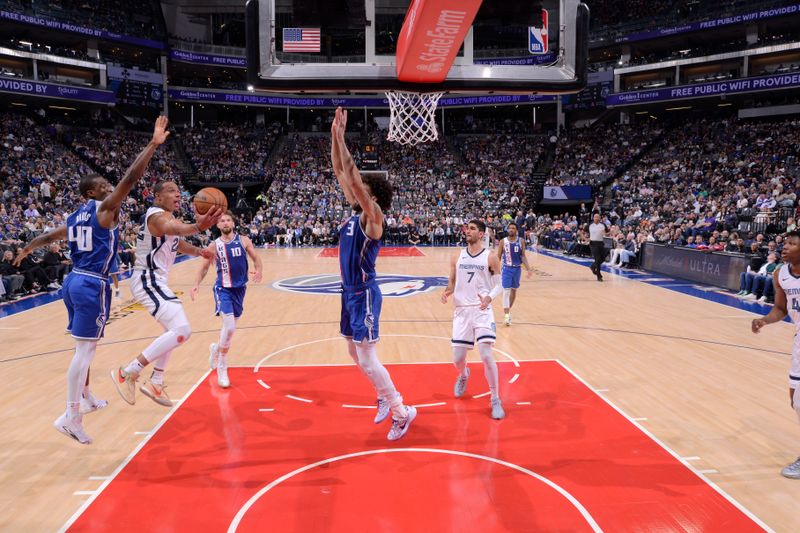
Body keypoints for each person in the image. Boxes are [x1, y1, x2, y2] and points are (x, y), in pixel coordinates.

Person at [13, 116, 172, 444]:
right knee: (84, 352)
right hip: (90, 283)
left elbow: (51, 234)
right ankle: (71, 415)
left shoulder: (75, 216)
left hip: (74, 281)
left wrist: (29, 247)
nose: (109, 187)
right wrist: (153, 145)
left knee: (86, 346)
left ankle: (84, 396)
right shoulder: (104, 209)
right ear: (91, 192)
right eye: (103, 185)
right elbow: (130, 177)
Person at [330, 107, 416, 441]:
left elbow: (352, 177)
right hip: (347, 291)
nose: (354, 190)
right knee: (354, 353)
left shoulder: (374, 217)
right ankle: (382, 395)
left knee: (366, 355)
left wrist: (342, 138)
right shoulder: (356, 213)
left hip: (363, 292)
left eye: (363, 189)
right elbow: (340, 171)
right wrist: (334, 135)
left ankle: (401, 410)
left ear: (372, 196)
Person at [111, 181, 222, 408]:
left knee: (172, 332)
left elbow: (176, 241)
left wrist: (199, 251)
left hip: (156, 281)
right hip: (147, 278)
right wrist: (198, 227)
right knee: (182, 330)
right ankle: (129, 372)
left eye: (178, 192)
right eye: (171, 191)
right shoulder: (156, 216)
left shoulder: (169, 219)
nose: (177, 194)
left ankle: (157, 381)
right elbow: (173, 230)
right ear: (158, 197)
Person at [441, 219, 505, 419]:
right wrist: (446, 292)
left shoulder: (491, 257)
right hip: (461, 312)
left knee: (486, 354)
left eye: (472, 228)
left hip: (482, 310)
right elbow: (452, 281)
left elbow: (500, 284)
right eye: (467, 228)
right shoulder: (456, 256)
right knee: (458, 359)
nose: (467, 231)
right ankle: (463, 375)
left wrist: (489, 298)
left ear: (482, 234)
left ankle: (495, 398)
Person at [190, 212, 263, 388]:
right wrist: (196, 284)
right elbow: (204, 267)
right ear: (218, 226)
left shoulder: (244, 240)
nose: (225, 222)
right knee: (229, 327)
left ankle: (216, 348)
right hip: (222, 289)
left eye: (228, 219)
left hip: (240, 289)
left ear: (233, 222)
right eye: (222, 221)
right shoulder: (214, 245)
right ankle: (222, 365)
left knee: (230, 328)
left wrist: (259, 270)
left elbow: (256, 258)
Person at [751, 230, 800, 479]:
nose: (785, 247)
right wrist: (765, 320)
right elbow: (780, 308)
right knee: (795, 401)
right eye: (786, 243)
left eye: (792, 244)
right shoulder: (781, 274)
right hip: (799, 342)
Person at [496, 222, 532, 326]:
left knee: (514, 291)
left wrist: (529, 269)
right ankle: (506, 316)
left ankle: (508, 311)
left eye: (513, 228)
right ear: (507, 230)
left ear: (516, 230)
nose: (511, 230)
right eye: (509, 228)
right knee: (506, 291)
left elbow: (523, 256)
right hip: (507, 269)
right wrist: (494, 269)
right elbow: (498, 256)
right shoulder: (503, 241)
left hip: (517, 269)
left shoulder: (521, 241)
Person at [588, 213, 608, 281]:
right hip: (593, 243)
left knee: (602, 258)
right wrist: (585, 238)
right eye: (595, 217)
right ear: (593, 218)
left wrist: (610, 232)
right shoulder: (590, 225)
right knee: (597, 259)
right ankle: (599, 276)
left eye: (597, 217)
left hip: (601, 243)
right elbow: (582, 231)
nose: (596, 218)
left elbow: (606, 233)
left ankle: (593, 266)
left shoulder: (603, 225)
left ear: (599, 218)